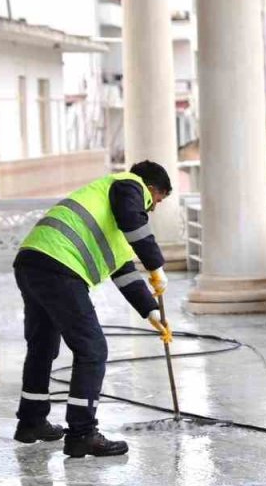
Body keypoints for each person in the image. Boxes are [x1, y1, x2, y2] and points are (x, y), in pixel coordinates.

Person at [11, 160, 173, 458]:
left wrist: (152, 314)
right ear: (151, 188)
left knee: (43, 347)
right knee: (92, 350)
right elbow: (133, 219)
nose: (153, 209)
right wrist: (156, 265)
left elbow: (122, 270)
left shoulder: (108, 210)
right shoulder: (128, 185)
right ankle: (83, 433)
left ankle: (31, 422)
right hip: (60, 266)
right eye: (158, 200)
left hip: (33, 261)